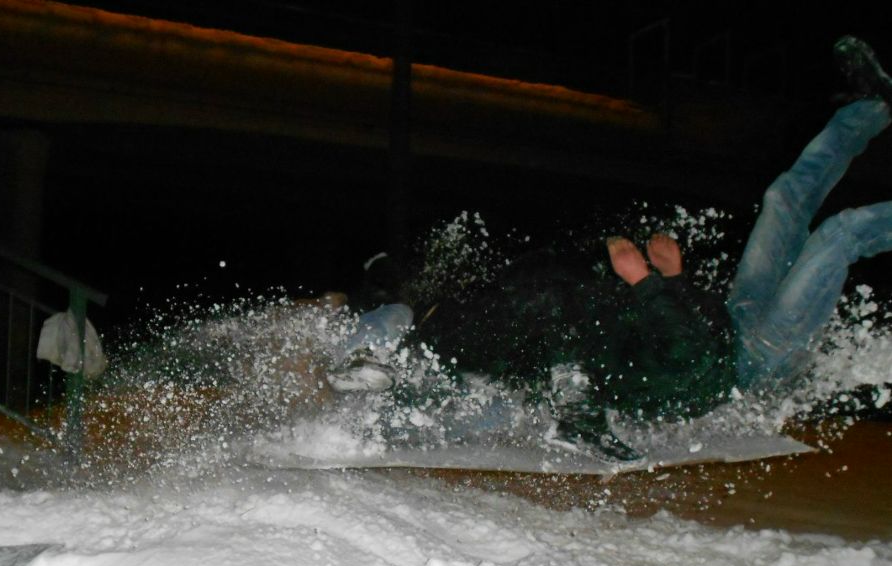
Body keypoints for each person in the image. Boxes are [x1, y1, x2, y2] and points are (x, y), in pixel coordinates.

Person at [335, 35, 892, 462]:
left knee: (783, 197)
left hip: (729, 324)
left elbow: (676, 331)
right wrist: (654, 283)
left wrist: (665, 281)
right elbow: (686, 360)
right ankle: (375, 384)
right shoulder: (605, 353)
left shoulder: (586, 326)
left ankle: (870, 107)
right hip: (754, 359)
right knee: (839, 235)